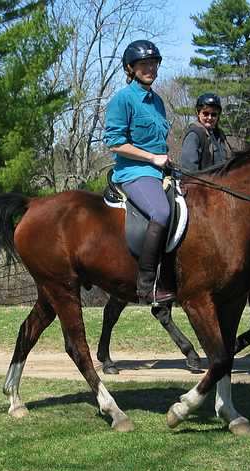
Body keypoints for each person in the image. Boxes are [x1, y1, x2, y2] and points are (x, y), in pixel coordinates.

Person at [103, 39, 174, 304]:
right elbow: (115, 142)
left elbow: (159, 141)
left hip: (160, 169)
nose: (151, 69)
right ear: (131, 68)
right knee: (161, 212)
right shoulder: (122, 100)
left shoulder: (157, 101)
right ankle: (146, 284)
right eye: (144, 64)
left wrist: (164, 159)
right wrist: (152, 158)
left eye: (154, 64)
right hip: (133, 172)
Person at [179, 92, 231, 172]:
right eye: (206, 113)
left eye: (214, 114)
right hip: (201, 183)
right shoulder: (194, 134)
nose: (209, 118)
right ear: (198, 113)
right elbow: (188, 169)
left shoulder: (220, 135)